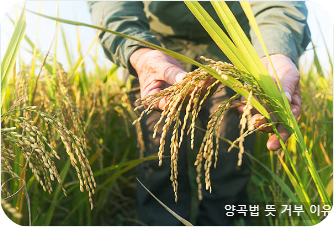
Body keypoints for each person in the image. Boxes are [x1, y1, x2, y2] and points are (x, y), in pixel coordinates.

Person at [89, 1, 310, 225]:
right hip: (154, 47)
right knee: (158, 159)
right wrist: (137, 48)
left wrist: (276, 53)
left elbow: (277, 4)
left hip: (232, 50)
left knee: (229, 158)